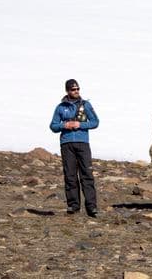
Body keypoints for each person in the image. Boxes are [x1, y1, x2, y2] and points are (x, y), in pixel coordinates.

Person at [50, 79, 100, 217]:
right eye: (73, 89)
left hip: (82, 143)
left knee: (87, 175)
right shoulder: (60, 107)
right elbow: (53, 126)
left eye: (77, 89)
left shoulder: (86, 105)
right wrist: (64, 126)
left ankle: (91, 207)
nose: (76, 91)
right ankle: (73, 205)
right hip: (66, 144)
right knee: (70, 175)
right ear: (67, 91)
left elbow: (95, 122)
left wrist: (80, 125)